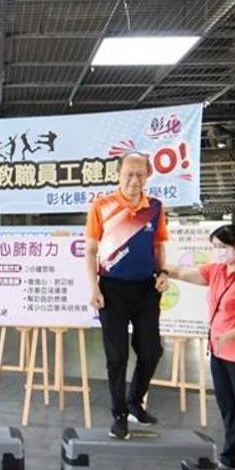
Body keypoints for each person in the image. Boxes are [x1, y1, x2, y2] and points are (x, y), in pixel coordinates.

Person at [161, 224, 235, 470]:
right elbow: (187, 273)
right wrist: (163, 268)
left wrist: (228, 335)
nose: (218, 252)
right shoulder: (218, 271)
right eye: (215, 247)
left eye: (222, 247)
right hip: (220, 352)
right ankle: (231, 457)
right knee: (228, 408)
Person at [84, 151, 170, 440]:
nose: (134, 180)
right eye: (128, 174)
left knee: (151, 350)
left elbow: (158, 245)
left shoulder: (155, 207)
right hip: (112, 290)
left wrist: (163, 273)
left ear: (148, 176)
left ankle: (136, 401)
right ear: (118, 175)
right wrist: (93, 286)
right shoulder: (102, 206)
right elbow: (91, 250)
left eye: (140, 175)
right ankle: (119, 414)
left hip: (146, 289)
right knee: (117, 356)